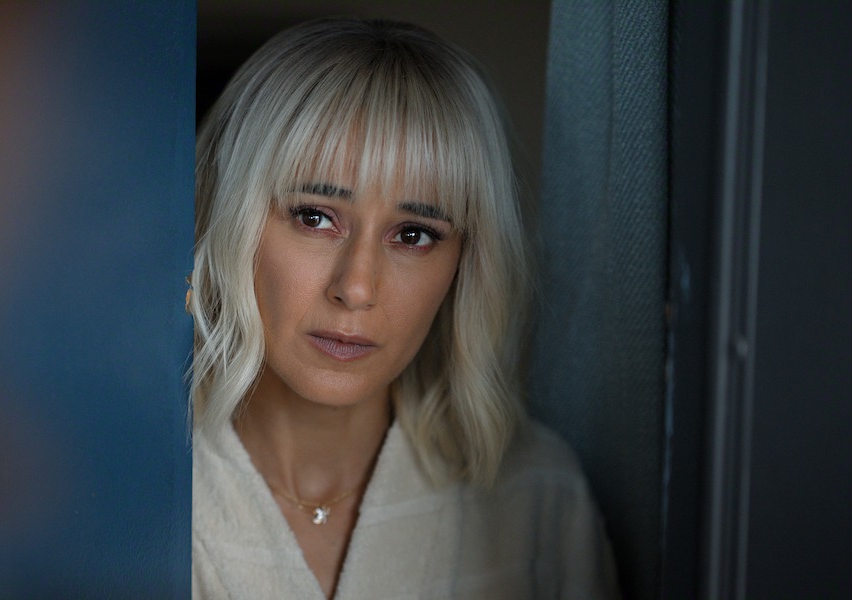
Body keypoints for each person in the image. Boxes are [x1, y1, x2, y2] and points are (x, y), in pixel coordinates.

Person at [189, 18, 619, 599]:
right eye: (315, 216)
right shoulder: (115, 488)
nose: (358, 287)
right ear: (227, 217)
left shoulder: (536, 496)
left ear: (467, 261)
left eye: (414, 234)